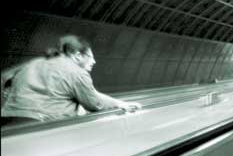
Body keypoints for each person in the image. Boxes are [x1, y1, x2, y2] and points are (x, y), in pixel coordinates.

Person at [0, 35, 141, 126]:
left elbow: (5, 77)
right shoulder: (77, 72)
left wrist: (119, 102)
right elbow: (95, 104)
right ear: (78, 55)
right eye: (90, 57)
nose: (94, 61)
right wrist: (121, 105)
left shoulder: (35, 62)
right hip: (42, 124)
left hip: (9, 121)